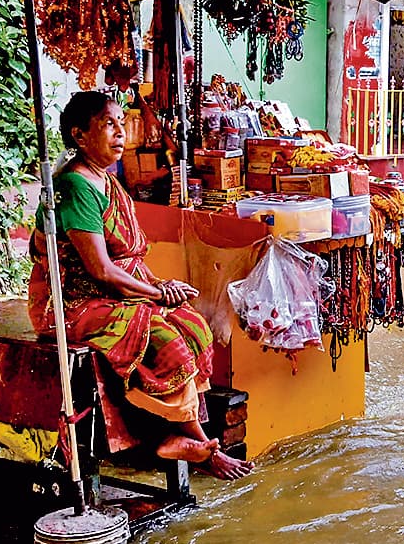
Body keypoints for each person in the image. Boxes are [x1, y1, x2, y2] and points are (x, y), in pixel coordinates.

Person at [29, 90, 251, 479]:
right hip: (74, 303)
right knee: (164, 337)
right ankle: (198, 447)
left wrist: (161, 287)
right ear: (80, 136)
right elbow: (102, 270)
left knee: (192, 324)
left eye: (121, 123)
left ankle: (186, 438)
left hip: (113, 295)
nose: (120, 133)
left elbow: (127, 261)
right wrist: (158, 293)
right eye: (108, 124)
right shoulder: (75, 186)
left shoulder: (108, 182)